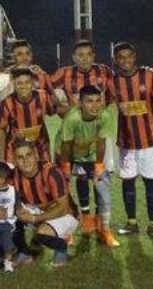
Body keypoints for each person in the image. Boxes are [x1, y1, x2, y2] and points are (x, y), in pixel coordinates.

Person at [107, 42, 153, 239]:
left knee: (151, 180)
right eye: (121, 57)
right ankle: (131, 222)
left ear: (135, 57)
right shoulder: (112, 82)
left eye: (129, 56)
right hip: (126, 143)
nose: (125, 60)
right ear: (115, 60)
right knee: (128, 181)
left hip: (149, 141)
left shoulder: (149, 76)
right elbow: (101, 106)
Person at [57, 85, 120, 247]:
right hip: (66, 153)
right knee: (64, 192)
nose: (95, 105)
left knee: (102, 187)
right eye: (89, 101)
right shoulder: (72, 118)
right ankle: (68, 230)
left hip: (90, 153)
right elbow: (66, 145)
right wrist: (66, 166)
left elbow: (101, 142)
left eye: (98, 101)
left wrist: (99, 165)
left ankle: (104, 229)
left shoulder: (105, 116)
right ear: (80, 103)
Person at [11, 139, 78, 267]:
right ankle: (24, 252)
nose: (25, 160)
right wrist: (18, 210)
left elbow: (63, 208)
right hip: (38, 210)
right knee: (9, 216)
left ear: (36, 155)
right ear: (14, 161)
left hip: (66, 214)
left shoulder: (52, 172)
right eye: (20, 157)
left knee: (42, 232)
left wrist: (34, 218)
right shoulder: (14, 175)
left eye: (29, 155)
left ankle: (61, 247)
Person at [0, 67, 63, 163]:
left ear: (32, 83)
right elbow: (1, 129)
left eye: (27, 82)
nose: (23, 86)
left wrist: (75, 110)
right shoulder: (7, 102)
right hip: (15, 150)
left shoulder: (43, 97)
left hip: (40, 149)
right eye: (19, 83)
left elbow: (57, 110)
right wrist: (1, 158)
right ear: (14, 84)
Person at [51, 39, 113, 107]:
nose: (85, 59)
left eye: (89, 54)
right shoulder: (64, 72)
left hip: (100, 111)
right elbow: (46, 86)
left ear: (93, 57)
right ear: (74, 57)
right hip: (74, 112)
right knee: (57, 92)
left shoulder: (104, 70)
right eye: (81, 55)